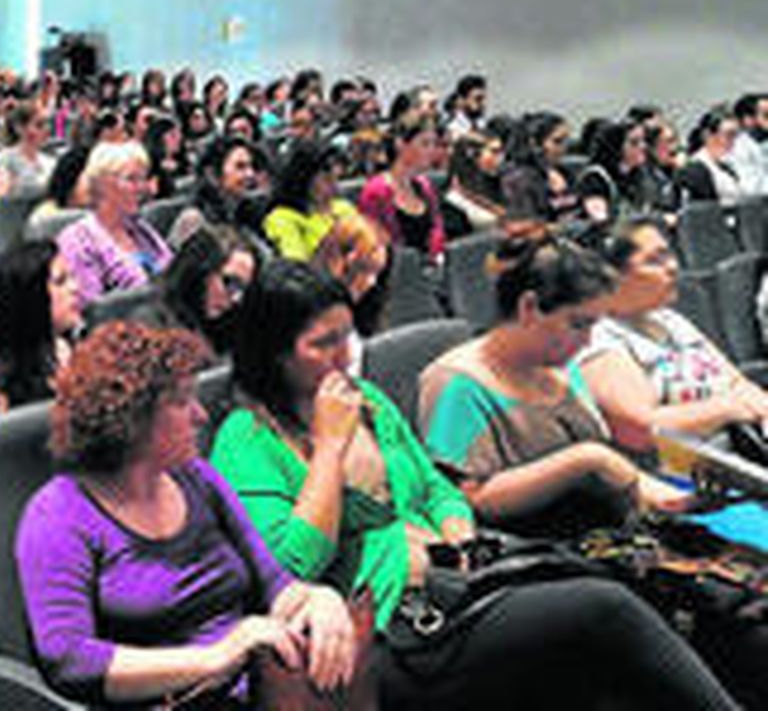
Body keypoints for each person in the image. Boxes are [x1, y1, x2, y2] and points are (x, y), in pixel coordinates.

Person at [211, 260, 738, 710]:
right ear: (274, 352)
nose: (345, 357)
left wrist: (457, 531)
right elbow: (290, 568)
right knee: (601, 609)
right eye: (322, 344)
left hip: (456, 583)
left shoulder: (367, 399)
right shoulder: (247, 439)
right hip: (386, 629)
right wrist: (330, 450)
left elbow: (438, 490)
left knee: (621, 596)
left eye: (346, 337)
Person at [16, 321, 361, 709]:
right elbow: (69, 658)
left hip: (255, 690)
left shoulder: (197, 478)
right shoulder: (58, 514)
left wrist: (318, 599)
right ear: (131, 419)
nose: (200, 415)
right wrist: (216, 656)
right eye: (181, 402)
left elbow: (273, 581)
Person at [419, 226, 689, 538]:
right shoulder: (457, 383)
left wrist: (668, 497)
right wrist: (584, 460)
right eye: (578, 324)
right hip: (537, 550)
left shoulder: (562, 365)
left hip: (604, 528)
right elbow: (469, 500)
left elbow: (615, 469)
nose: (588, 341)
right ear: (529, 308)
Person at [580, 217, 768, 452]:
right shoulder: (598, 338)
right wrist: (724, 408)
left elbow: (736, 382)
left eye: (668, 254)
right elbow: (641, 431)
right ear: (613, 277)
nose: (672, 267)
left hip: (738, 452)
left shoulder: (670, 320)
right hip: (682, 476)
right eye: (654, 261)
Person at [0, 240, 82, 419]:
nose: (76, 288)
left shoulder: (74, 348)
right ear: (32, 299)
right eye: (60, 282)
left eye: (72, 278)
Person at [55, 141, 173, 308]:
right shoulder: (77, 240)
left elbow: (173, 274)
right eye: (132, 179)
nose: (142, 188)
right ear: (102, 185)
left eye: (143, 179)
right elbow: (92, 311)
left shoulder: (141, 230)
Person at [149, 225, 258, 352]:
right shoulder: (149, 328)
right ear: (199, 271)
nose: (236, 298)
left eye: (244, 289)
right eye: (231, 283)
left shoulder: (221, 332)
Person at [356, 113, 445, 262]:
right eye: (425, 144)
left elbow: (437, 228)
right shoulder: (376, 191)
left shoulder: (424, 185)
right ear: (401, 144)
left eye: (434, 144)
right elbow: (373, 246)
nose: (432, 151)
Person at [262, 138, 359, 262]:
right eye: (326, 179)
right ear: (304, 179)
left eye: (338, 178)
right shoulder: (283, 218)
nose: (335, 186)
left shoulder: (344, 208)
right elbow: (295, 267)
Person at [501, 112, 580, 222]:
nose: (564, 147)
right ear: (535, 144)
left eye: (566, 140)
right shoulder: (520, 179)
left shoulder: (566, 172)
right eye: (557, 141)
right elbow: (529, 226)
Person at [0, 100, 56, 196]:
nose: (46, 130)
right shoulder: (4, 159)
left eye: (47, 124)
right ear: (19, 128)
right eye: (39, 125)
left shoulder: (51, 161)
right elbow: (0, 199)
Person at [678, 105, 744, 205]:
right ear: (707, 135)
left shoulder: (726, 166)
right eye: (729, 135)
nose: (733, 141)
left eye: (736, 135)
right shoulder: (695, 169)